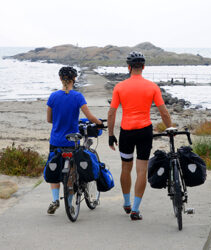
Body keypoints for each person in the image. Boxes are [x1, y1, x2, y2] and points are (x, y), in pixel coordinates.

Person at [107, 51, 172, 220]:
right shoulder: (152, 87)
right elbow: (164, 112)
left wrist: (110, 134)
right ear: (143, 67)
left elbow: (112, 113)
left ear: (128, 67)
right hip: (144, 131)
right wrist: (170, 128)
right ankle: (135, 209)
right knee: (141, 170)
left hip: (126, 132)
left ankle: (127, 203)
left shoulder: (120, 87)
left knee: (125, 167)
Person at [46, 66, 103, 214]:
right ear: (74, 79)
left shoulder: (53, 97)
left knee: (54, 168)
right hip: (72, 141)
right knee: (71, 172)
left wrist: (60, 121)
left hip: (56, 140)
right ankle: (70, 204)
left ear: (60, 79)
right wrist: (100, 123)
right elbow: (90, 117)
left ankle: (55, 200)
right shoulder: (77, 97)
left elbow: (49, 119)